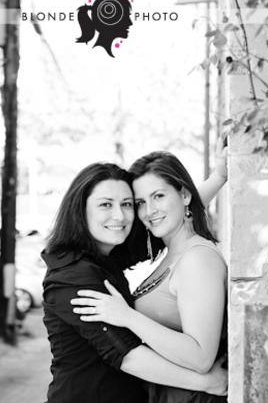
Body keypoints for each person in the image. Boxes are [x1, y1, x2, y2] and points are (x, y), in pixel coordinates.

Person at [42, 161, 227, 403]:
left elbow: (170, 215)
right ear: (80, 210)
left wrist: (218, 178)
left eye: (128, 204)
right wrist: (206, 382)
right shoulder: (74, 276)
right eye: (105, 204)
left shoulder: (108, 253)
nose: (119, 215)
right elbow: (126, 355)